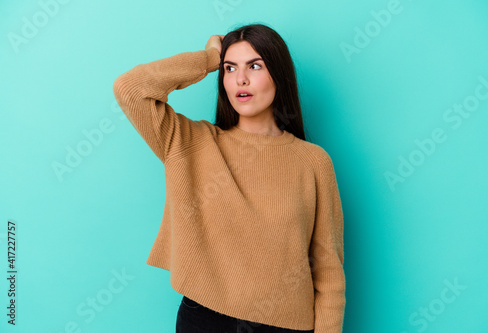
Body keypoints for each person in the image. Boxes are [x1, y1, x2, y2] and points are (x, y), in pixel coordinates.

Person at [113, 23, 345, 333]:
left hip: (286, 326)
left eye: (255, 66)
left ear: (279, 73)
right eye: (230, 68)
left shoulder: (313, 162)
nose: (241, 79)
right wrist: (208, 58)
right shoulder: (189, 143)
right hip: (205, 320)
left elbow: (328, 271)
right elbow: (131, 89)